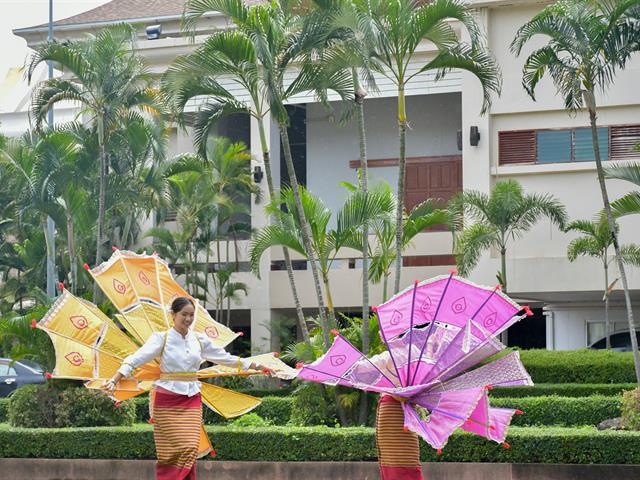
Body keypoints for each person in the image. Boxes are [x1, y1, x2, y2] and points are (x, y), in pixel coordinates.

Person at [104, 296, 273, 480]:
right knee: (173, 452)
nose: (188, 319)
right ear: (173, 315)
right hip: (166, 400)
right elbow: (135, 359)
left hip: (192, 398)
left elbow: (226, 358)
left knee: (191, 447)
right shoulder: (162, 339)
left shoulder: (199, 340)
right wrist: (114, 379)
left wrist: (256, 366)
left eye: (191, 315)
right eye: (184, 314)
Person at [369, 349, 424, 480]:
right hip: (405, 410)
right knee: (405, 460)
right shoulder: (418, 354)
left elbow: (365, 367)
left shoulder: (389, 355)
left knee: (396, 461)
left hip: (392, 410)